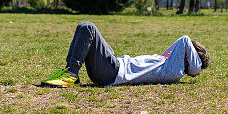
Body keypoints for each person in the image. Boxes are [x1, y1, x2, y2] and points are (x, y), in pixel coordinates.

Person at [40, 21, 210, 87]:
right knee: (82, 28)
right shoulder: (166, 64)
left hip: (113, 72)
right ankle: (71, 73)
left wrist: (196, 67)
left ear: (189, 60)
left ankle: (70, 74)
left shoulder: (175, 72)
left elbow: (185, 40)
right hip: (111, 68)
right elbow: (179, 47)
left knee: (88, 28)